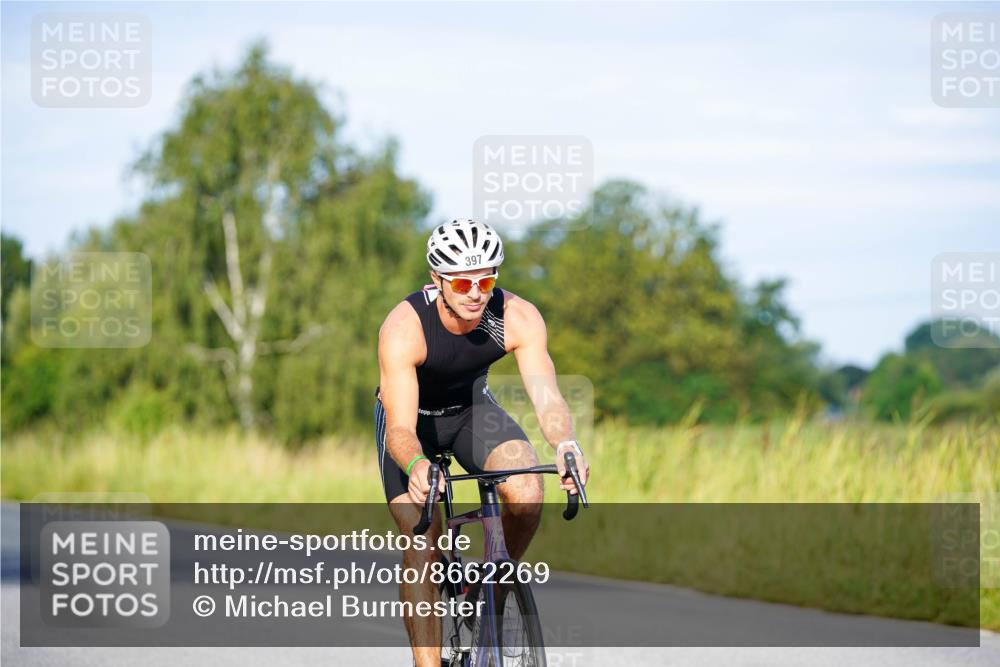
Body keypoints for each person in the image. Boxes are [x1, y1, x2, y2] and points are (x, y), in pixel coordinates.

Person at [374, 218, 590, 666]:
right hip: (412, 425)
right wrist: (416, 466)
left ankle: (489, 593)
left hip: (472, 412)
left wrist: (566, 443)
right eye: (462, 281)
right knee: (423, 539)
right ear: (437, 279)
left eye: (486, 278)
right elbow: (399, 429)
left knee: (528, 494)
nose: (475, 292)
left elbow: (547, 395)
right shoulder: (404, 327)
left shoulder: (516, 316)